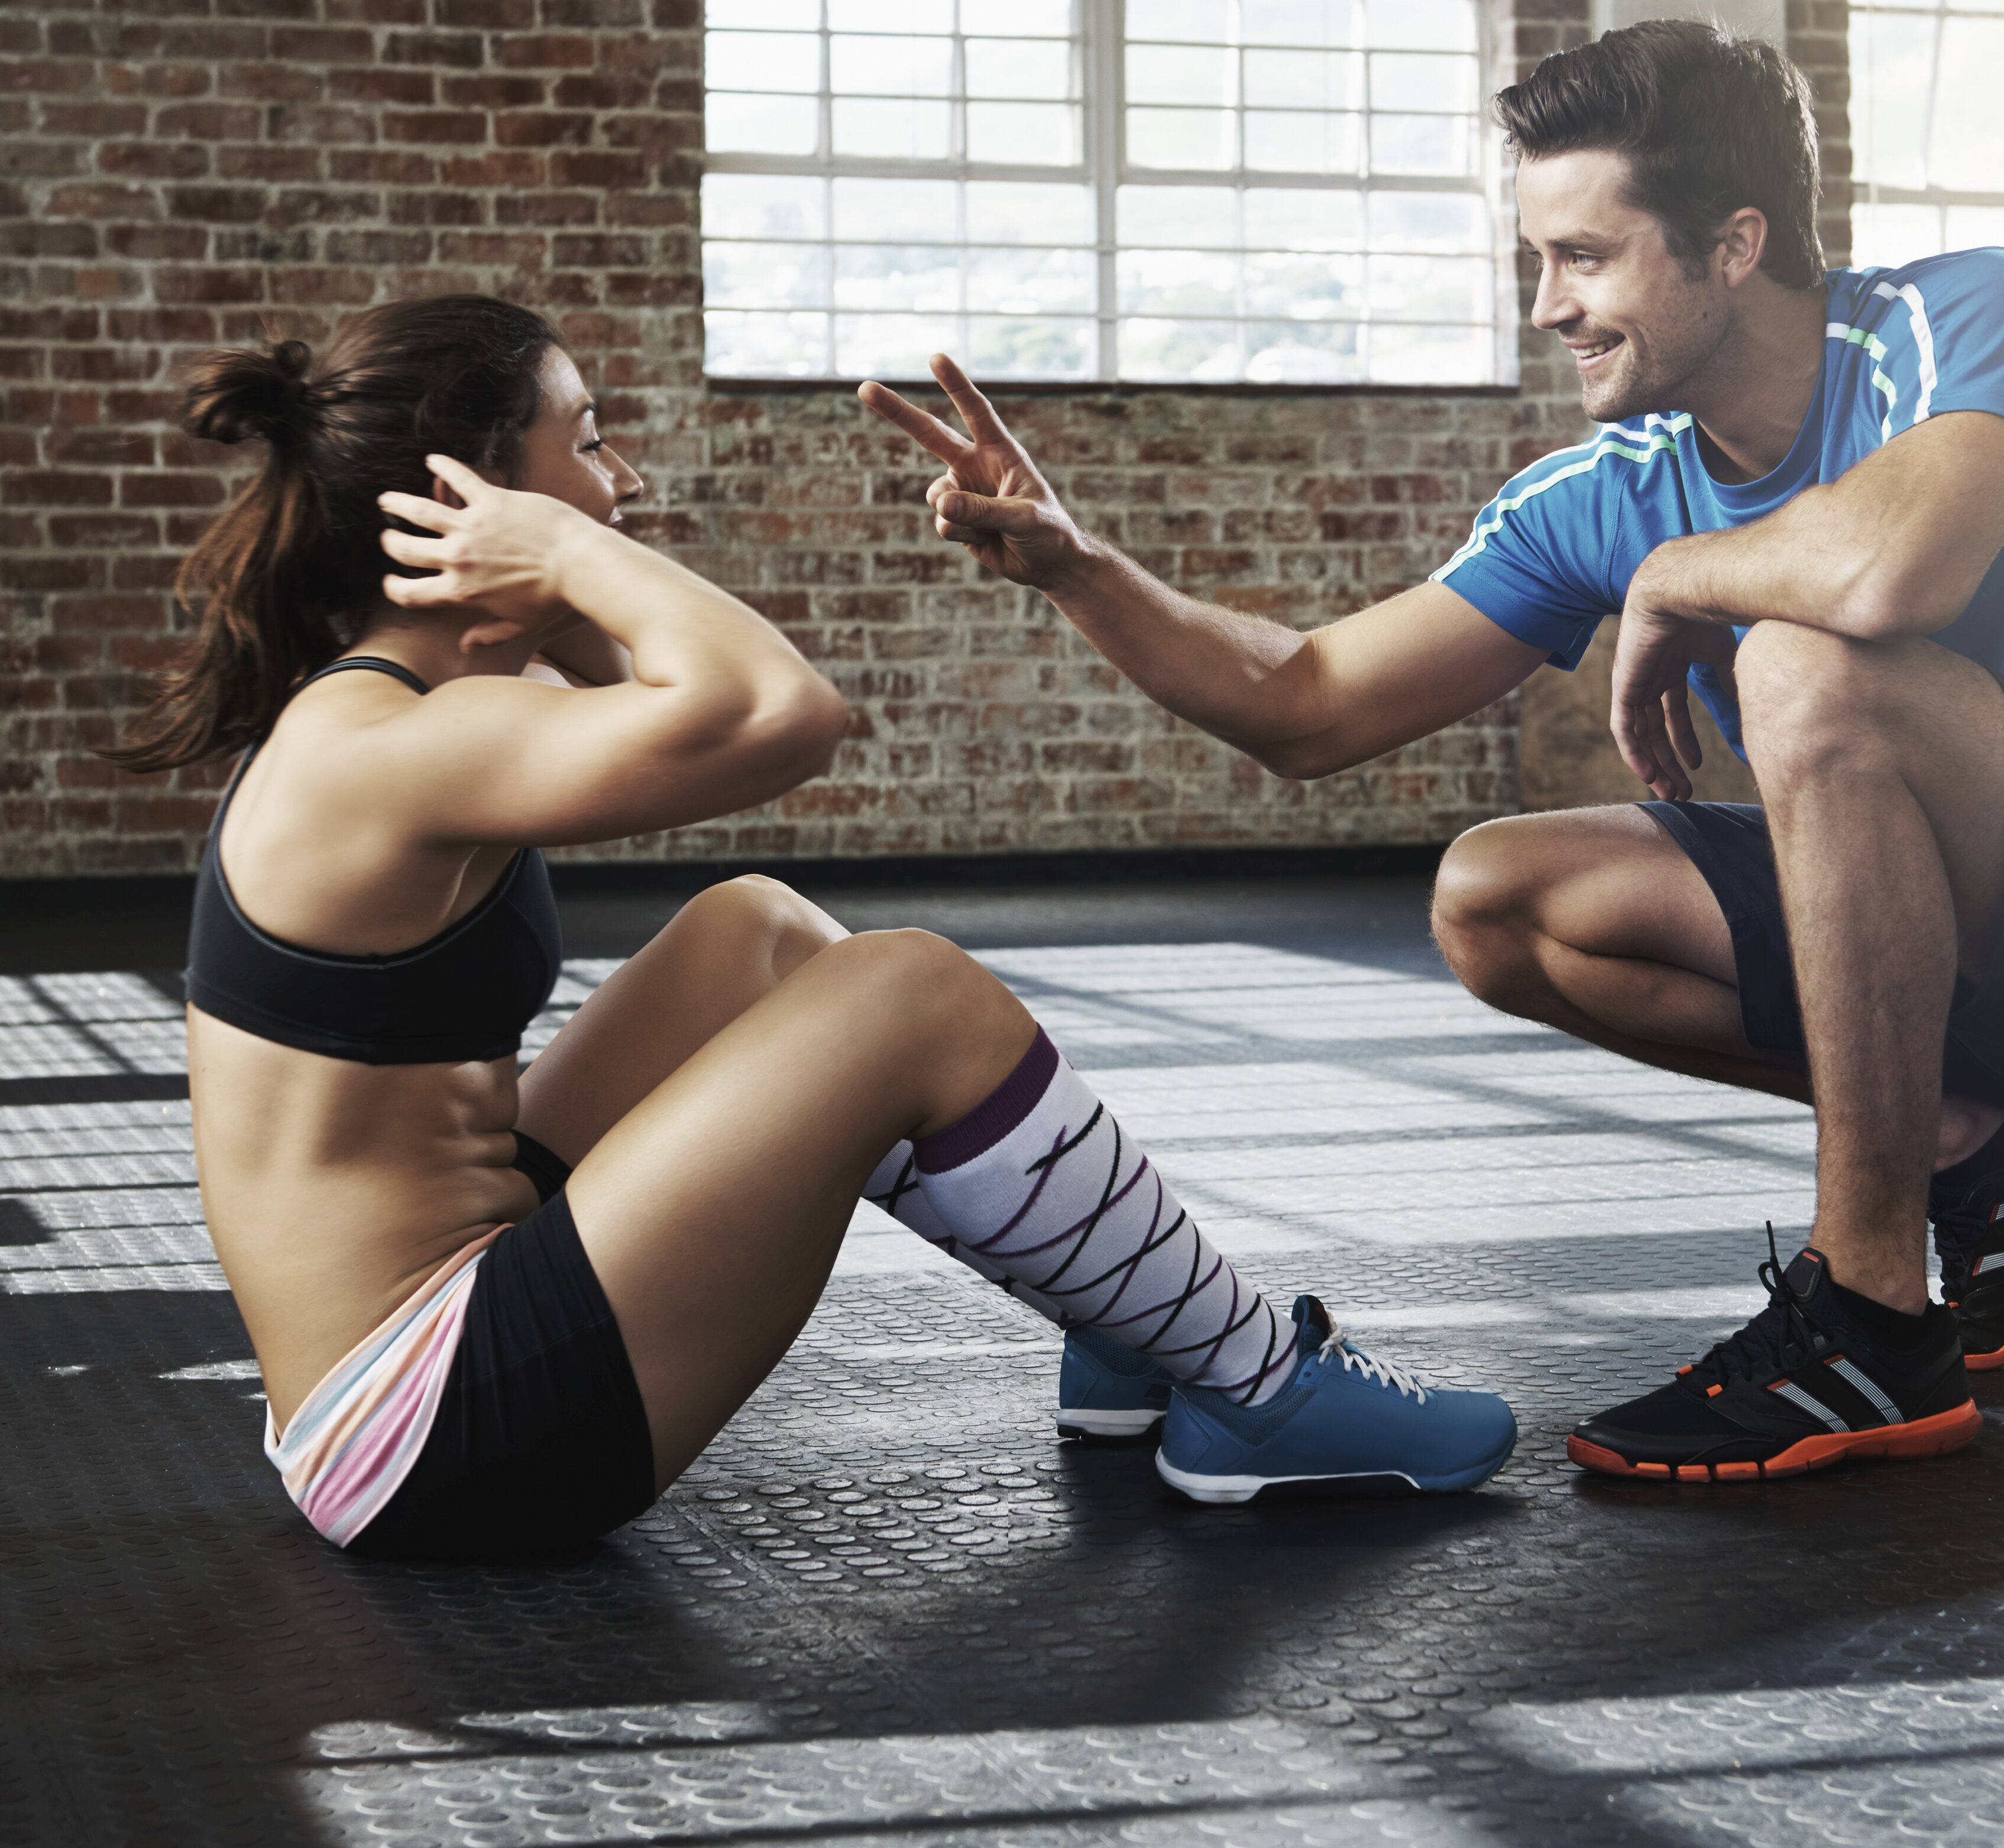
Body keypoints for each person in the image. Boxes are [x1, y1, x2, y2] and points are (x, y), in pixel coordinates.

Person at [860, 18, 2004, 1486]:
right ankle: (1984, 1140)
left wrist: (1675, 580)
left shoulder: (1964, 317)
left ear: (1733, 243)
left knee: (1805, 666)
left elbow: (1891, 572)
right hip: (1981, 963)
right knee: (1498, 895)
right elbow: (1311, 701)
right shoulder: (1605, 489)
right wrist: (1081, 568)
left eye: (1584, 258)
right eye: (1536, 261)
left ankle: (1866, 1319)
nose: (1547, 308)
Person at [101, 294, 1515, 1561]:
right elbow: (788, 718)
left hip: (428, 1345)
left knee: (755, 930)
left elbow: (657, 683)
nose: (625, 480)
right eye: (589, 442)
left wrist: (554, 549)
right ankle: (1262, 1393)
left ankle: (1124, 1315)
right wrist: (551, 545)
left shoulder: (407, 706)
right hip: (434, 1433)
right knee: (906, 992)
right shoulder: (393, 746)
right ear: (477, 494)